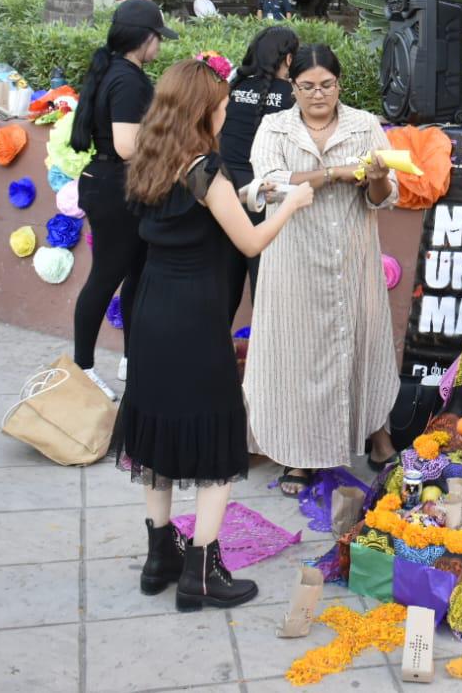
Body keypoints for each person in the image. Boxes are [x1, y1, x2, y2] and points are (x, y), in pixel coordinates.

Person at [107, 60, 314, 611]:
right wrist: (291, 204)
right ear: (204, 111)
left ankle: (159, 556)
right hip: (195, 314)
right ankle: (202, 569)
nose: (227, 113)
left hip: (151, 307)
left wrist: (243, 196)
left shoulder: (150, 161)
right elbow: (250, 243)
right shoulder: (205, 169)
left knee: (156, 424)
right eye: (222, 105)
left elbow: (190, 216)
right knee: (215, 428)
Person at [245, 44, 399, 496]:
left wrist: (375, 176)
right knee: (297, 354)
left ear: (339, 85)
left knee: (363, 343)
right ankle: (297, 456)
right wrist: (335, 173)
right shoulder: (275, 127)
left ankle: (378, 438)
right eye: (307, 86)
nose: (318, 94)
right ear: (292, 87)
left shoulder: (364, 125)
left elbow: (383, 197)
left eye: (327, 85)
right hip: (292, 258)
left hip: (352, 256)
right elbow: (269, 184)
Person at [70, 0, 177, 399]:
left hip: (115, 184)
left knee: (137, 273)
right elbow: (127, 145)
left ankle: (133, 359)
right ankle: (82, 367)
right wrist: (171, 143)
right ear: (143, 38)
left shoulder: (116, 71)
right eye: (158, 38)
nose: (160, 46)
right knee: (106, 277)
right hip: (116, 187)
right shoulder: (128, 80)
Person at [219, 26, 298, 320]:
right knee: (263, 285)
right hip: (264, 194)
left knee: (225, 283)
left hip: (226, 192)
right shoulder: (292, 96)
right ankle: (263, 346)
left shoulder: (233, 87)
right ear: (288, 59)